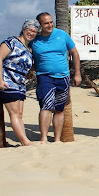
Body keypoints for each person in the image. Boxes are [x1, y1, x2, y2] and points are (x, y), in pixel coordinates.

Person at [31, 12, 82, 142]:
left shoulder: (62, 35)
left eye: (51, 22)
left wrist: (77, 73)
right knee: (46, 106)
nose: (50, 25)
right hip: (44, 76)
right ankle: (43, 139)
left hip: (63, 76)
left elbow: (74, 53)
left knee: (59, 108)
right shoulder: (34, 39)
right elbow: (20, 52)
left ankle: (57, 139)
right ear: (40, 25)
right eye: (46, 23)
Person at [0, 19, 40, 146]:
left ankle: (24, 140)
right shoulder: (11, 42)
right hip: (8, 81)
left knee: (19, 114)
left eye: (34, 31)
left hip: (20, 84)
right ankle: (25, 141)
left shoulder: (29, 50)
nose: (31, 33)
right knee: (14, 113)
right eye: (29, 30)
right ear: (24, 29)